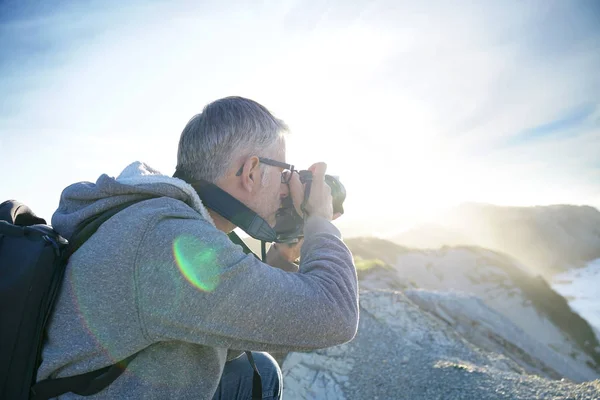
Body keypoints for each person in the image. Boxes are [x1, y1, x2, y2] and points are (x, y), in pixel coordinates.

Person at [37, 96, 359, 399]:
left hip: (117, 380)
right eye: (284, 172)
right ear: (250, 172)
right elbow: (336, 314)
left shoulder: (163, 216)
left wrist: (286, 248)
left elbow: (231, 322)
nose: (287, 188)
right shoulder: (166, 241)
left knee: (259, 371)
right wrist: (319, 218)